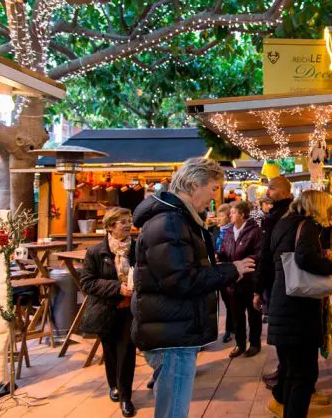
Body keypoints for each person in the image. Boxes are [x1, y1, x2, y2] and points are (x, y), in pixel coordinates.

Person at [131, 157, 255, 418]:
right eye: (212, 189)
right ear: (191, 185)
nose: (214, 198)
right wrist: (232, 270)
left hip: (174, 328)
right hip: (173, 334)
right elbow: (182, 280)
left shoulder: (177, 219)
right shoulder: (170, 222)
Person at [266, 190, 332, 418]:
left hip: (282, 304)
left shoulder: (284, 223)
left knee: (290, 371)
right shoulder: (307, 225)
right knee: (303, 375)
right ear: (316, 206)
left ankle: (284, 408)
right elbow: (304, 257)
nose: (329, 211)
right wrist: (329, 265)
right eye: (327, 206)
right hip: (298, 312)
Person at [81, 207, 137, 417]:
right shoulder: (96, 252)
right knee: (111, 352)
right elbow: (87, 283)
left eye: (128, 219)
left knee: (127, 353)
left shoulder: (137, 248)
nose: (128, 224)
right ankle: (113, 384)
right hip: (106, 309)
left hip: (130, 310)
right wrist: (117, 288)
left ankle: (126, 397)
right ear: (110, 226)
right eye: (122, 221)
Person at [253, 176, 293, 388]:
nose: (268, 192)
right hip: (283, 279)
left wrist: (257, 288)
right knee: (283, 329)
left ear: (285, 193)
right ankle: (283, 370)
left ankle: (284, 375)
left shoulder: (276, 216)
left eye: (272, 188)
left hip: (279, 280)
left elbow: (266, 254)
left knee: (280, 329)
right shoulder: (287, 213)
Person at [219, 200, 262, 358]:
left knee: (253, 313)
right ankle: (240, 344)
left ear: (242, 215)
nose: (230, 214)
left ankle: (255, 343)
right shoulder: (229, 230)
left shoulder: (255, 231)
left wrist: (243, 263)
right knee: (236, 313)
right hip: (233, 280)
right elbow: (224, 249)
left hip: (249, 280)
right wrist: (220, 256)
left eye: (234, 212)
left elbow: (258, 254)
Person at [213, 204, 235, 343]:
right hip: (214, 269)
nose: (218, 218)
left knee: (229, 301)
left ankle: (230, 329)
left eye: (221, 216)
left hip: (227, 268)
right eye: (218, 215)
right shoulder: (214, 231)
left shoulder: (233, 231)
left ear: (228, 217)